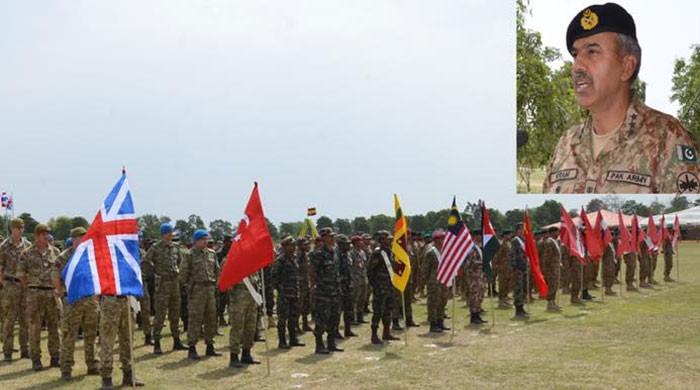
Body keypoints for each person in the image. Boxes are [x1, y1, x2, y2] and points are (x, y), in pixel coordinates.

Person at [543, 3, 700, 194]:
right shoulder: (566, 144)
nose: (577, 66)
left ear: (627, 67)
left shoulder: (667, 139)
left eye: (592, 52)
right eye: (576, 55)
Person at [56, 227, 99, 380]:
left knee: (91, 334)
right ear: (73, 239)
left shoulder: (90, 255)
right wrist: (60, 292)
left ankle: (92, 364)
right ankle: (66, 368)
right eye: (80, 237)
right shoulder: (64, 257)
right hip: (72, 300)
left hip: (89, 299)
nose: (83, 240)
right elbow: (56, 277)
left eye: (84, 237)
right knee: (69, 335)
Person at [17, 224, 61, 371]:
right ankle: (36, 359)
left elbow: (60, 273)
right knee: (35, 328)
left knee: (54, 326)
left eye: (47, 234)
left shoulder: (55, 252)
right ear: (36, 236)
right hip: (34, 294)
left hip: (51, 294)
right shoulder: (27, 253)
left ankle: (55, 357)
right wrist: (30, 288)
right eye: (43, 234)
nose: (46, 236)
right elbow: (21, 274)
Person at [143, 222, 187, 354]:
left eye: (172, 232)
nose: (171, 235)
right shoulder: (155, 248)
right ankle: (156, 342)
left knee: (175, 313)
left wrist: (179, 273)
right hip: (162, 285)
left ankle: (176, 340)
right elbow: (145, 262)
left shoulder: (175, 247)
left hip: (174, 284)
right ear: (164, 234)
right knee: (160, 314)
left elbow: (181, 261)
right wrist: (154, 274)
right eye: (169, 232)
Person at [179, 229, 221, 360]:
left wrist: (217, 285)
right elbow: (183, 274)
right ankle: (192, 348)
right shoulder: (189, 255)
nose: (206, 241)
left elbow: (217, 271)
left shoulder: (212, 254)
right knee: (195, 320)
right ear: (196, 241)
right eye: (203, 239)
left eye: (206, 239)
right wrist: (188, 287)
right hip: (196, 290)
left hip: (210, 289)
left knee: (211, 318)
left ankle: (210, 346)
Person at [0, 218, 31, 361]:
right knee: (9, 320)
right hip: (10, 286)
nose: (21, 230)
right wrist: (5, 284)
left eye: (22, 227)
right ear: (12, 229)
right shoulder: (4, 246)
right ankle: (7, 351)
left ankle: (25, 349)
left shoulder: (28, 246)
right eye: (18, 227)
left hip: (24, 287)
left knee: (25, 320)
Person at [98, 295, 144, 389]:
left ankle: (128, 374)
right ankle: (106, 377)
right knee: (108, 341)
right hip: (110, 300)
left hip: (127, 299)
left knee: (127, 340)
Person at [309, 228, 342, 354]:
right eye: (330, 236)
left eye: (333, 236)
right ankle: (319, 345)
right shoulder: (318, 254)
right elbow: (312, 272)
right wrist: (314, 287)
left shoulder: (334, 252)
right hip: (323, 293)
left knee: (334, 318)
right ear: (323, 238)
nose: (333, 238)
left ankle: (331, 343)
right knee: (321, 319)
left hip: (334, 291)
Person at [366, 230, 400, 344]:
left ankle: (386, 333)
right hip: (380, 287)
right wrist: (375, 285)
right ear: (381, 240)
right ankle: (374, 335)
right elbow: (370, 271)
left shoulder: (389, 251)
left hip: (389, 286)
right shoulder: (377, 253)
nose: (389, 241)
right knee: (378, 311)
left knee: (388, 310)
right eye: (387, 239)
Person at [272, 236, 305, 349]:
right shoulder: (280, 261)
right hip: (284, 295)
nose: (293, 247)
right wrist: (281, 289)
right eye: (291, 245)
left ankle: (293, 339)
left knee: (293, 318)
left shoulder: (294, 259)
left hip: (294, 293)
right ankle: (282, 341)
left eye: (294, 245)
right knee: (282, 319)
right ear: (284, 246)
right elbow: (274, 278)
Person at [424, 230, 449, 332]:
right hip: (434, 281)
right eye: (441, 238)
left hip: (444, 280)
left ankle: (440, 321)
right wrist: (427, 281)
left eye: (443, 238)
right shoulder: (431, 252)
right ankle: (433, 324)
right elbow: (425, 269)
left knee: (443, 301)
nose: (443, 240)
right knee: (433, 302)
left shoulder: (445, 251)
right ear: (436, 240)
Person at [336, 234, 357, 338]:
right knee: (337, 311)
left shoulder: (348, 255)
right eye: (346, 244)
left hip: (348, 286)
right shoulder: (336, 256)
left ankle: (348, 330)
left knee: (349, 309)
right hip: (339, 287)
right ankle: (335, 331)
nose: (349, 246)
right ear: (340, 245)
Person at [540, 227, 562, 312]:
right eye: (557, 232)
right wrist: (546, 270)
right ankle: (549, 304)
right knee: (552, 286)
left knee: (555, 285)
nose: (558, 234)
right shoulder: (549, 242)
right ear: (552, 232)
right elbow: (546, 258)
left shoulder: (554, 241)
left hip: (555, 268)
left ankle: (553, 302)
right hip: (551, 269)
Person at [510, 223, 529, 319]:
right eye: (522, 229)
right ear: (517, 230)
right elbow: (512, 254)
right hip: (518, 269)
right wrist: (514, 268)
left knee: (524, 289)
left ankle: (522, 307)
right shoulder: (515, 241)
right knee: (518, 289)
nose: (523, 231)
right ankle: (518, 309)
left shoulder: (524, 240)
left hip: (524, 268)